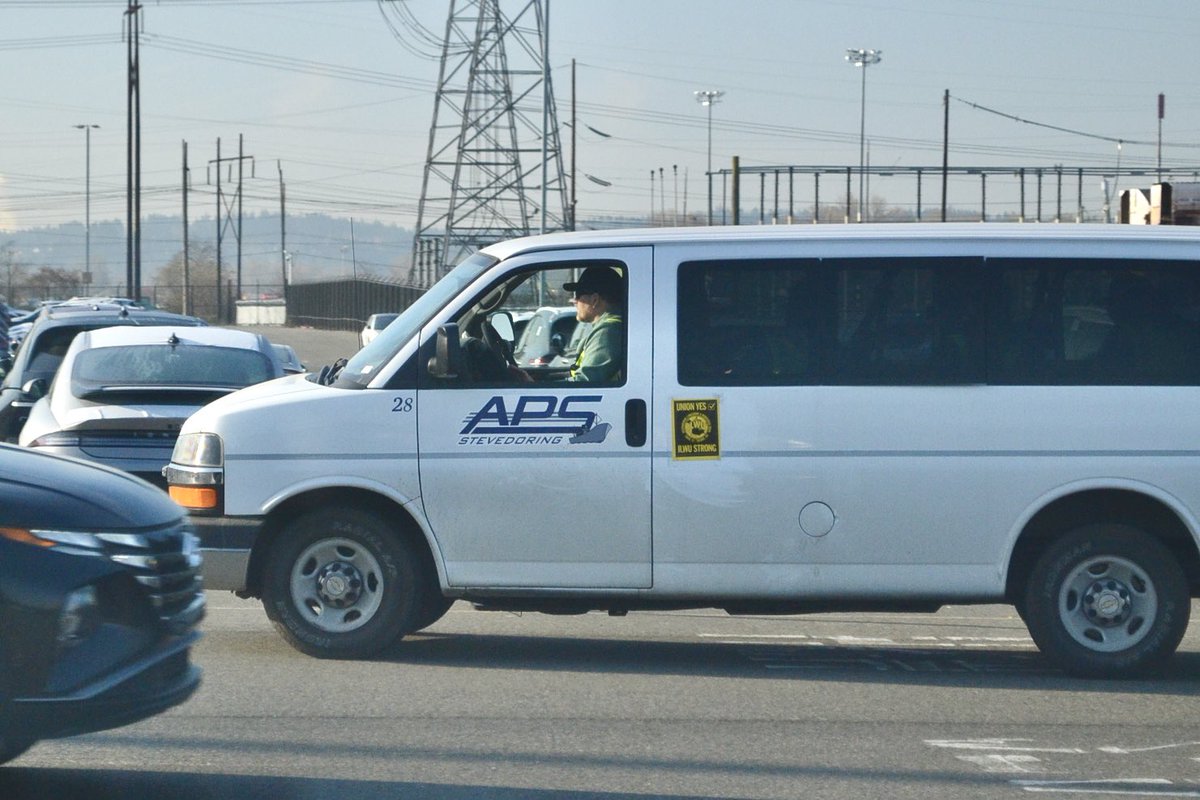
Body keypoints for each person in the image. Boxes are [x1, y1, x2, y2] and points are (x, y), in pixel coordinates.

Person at [561, 266, 624, 383]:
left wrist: (535, 387)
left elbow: (585, 381)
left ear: (595, 300)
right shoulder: (611, 326)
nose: (575, 301)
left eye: (578, 295)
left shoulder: (608, 332)